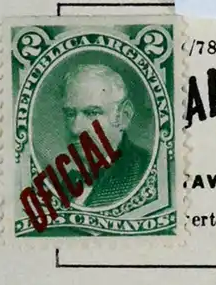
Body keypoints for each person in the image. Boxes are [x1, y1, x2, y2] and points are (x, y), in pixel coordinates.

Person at [57, 58, 152, 207]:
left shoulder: (145, 173)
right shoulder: (66, 184)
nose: (76, 128)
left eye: (92, 113)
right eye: (70, 114)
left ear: (124, 116)